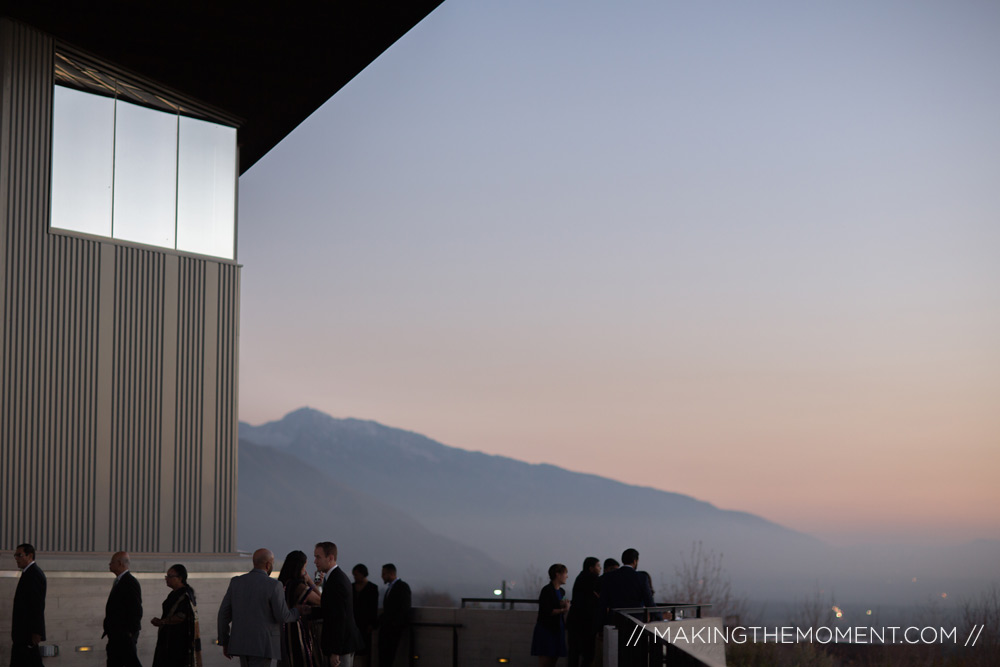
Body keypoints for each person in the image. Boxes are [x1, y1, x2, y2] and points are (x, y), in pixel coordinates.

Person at [218, 548, 300, 667]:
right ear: (268, 564)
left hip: (240, 645)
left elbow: (223, 615)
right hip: (263, 646)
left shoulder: (236, 582)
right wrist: (297, 611)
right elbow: (283, 616)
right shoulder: (274, 585)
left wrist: (224, 641)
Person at [310, 542, 362, 667]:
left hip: (341, 647)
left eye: (318, 557)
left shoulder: (337, 581)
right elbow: (330, 610)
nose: (315, 561)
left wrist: (335, 651)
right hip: (342, 645)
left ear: (330, 558)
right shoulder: (335, 578)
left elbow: (340, 618)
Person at [150, 564, 202, 667]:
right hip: (167, 640)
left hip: (178, 642)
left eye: (170, 576)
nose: (166, 579)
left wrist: (163, 622)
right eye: (166, 576)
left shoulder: (186, 595)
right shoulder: (173, 594)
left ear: (180, 578)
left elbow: (182, 615)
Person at [277, 551, 321, 667]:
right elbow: (321, 601)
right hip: (296, 632)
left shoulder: (281, 583)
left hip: (282, 631)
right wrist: (313, 582)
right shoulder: (299, 586)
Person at [104, 551, 143, 667]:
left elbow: (136, 609)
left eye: (111, 562)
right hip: (116, 634)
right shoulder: (119, 581)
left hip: (124, 635)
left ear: (120, 563)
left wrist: (130, 632)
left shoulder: (130, 582)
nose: (109, 564)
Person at [11, 544, 46, 667]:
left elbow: (37, 605)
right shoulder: (28, 573)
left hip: (27, 632)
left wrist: (36, 631)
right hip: (23, 632)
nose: (17, 558)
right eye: (16, 555)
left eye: (19, 555)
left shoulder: (34, 574)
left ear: (30, 555)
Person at [599, 548, 654, 624]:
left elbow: (603, 603)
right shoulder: (642, 578)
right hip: (636, 621)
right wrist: (659, 618)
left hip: (614, 620)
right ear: (635, 561)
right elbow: (649, 602)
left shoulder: (609, 577)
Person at [530, 564, 570, 667]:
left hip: (557, 629)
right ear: (558, 574)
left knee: (553, 661)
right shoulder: (547, 590)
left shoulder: (561, 591)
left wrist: (563, 606)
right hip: (547, 629)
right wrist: (563, 609)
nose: (567, 576)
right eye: (565, 573)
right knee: (545, 662)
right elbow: (546, 611)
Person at [566, 557, 601, 667]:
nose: (600, 568)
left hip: (574, 622)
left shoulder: (580, 578)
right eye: (598, 566)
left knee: (574, 654)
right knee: (589, 654)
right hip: (586, 623)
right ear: (591, 568)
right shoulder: (593, 579)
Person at [376, 564, 411, 667]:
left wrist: (394, 625)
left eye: (384, 574)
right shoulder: (392, 588)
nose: (382, 576)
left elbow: (403, 609)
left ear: (391, 574)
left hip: (392, 630)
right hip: (387, 629)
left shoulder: (402, 587)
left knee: (388, 657)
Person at [350, 565, 378, 667]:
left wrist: (371, 624)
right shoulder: (351, 587)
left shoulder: (372, 588)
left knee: (365, 651)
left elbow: (373, 608)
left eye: (356, 575)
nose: (355, 577)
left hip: (365, 625)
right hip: (354, 624)